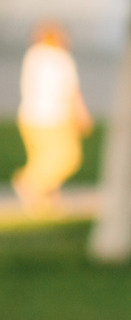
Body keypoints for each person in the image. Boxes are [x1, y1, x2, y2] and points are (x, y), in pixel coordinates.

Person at [14, 24, 92, 216]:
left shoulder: (33, 56)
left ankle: (46, 200)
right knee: (67, 157)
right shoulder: (60, 59)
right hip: (54, 116)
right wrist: (81, 114)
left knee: (41, 157)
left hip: (29, 115)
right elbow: (69, 90)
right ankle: (29, 183)